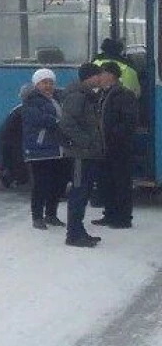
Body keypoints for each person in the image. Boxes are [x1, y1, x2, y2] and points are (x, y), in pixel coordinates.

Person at [59, 63, 105, 248]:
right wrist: (86, 142)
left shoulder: (88, 96)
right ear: (90, 77)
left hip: (88, 154)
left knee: (84, 192)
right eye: (99, 75)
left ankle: (79, 231)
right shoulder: (77, 96)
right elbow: (67, 124)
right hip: (80, 154)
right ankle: (73, 235)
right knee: (78, 193)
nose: (101, 78)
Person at [21, 68, 68, 230]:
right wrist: (59, 122)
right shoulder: (30, 101)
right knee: (41, 185)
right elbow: (39, 119)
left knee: (56, 183)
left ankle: (51, 214)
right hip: (39, 150)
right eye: (44, 83)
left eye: (50, 82)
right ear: (36, 85)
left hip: (56, 149)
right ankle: (37, 217)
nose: (48, 86)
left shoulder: (56, 99)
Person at [92, 62, 138, 229]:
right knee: (107, 181)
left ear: (111, 75)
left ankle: (123, 218)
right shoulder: (103, 94)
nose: (99, 77)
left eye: (102, 73)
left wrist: (113, 135)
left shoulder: (124, 95)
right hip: (104, 146)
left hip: (118, 147)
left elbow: (129, 122)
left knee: (121, 182)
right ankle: (110, 214)